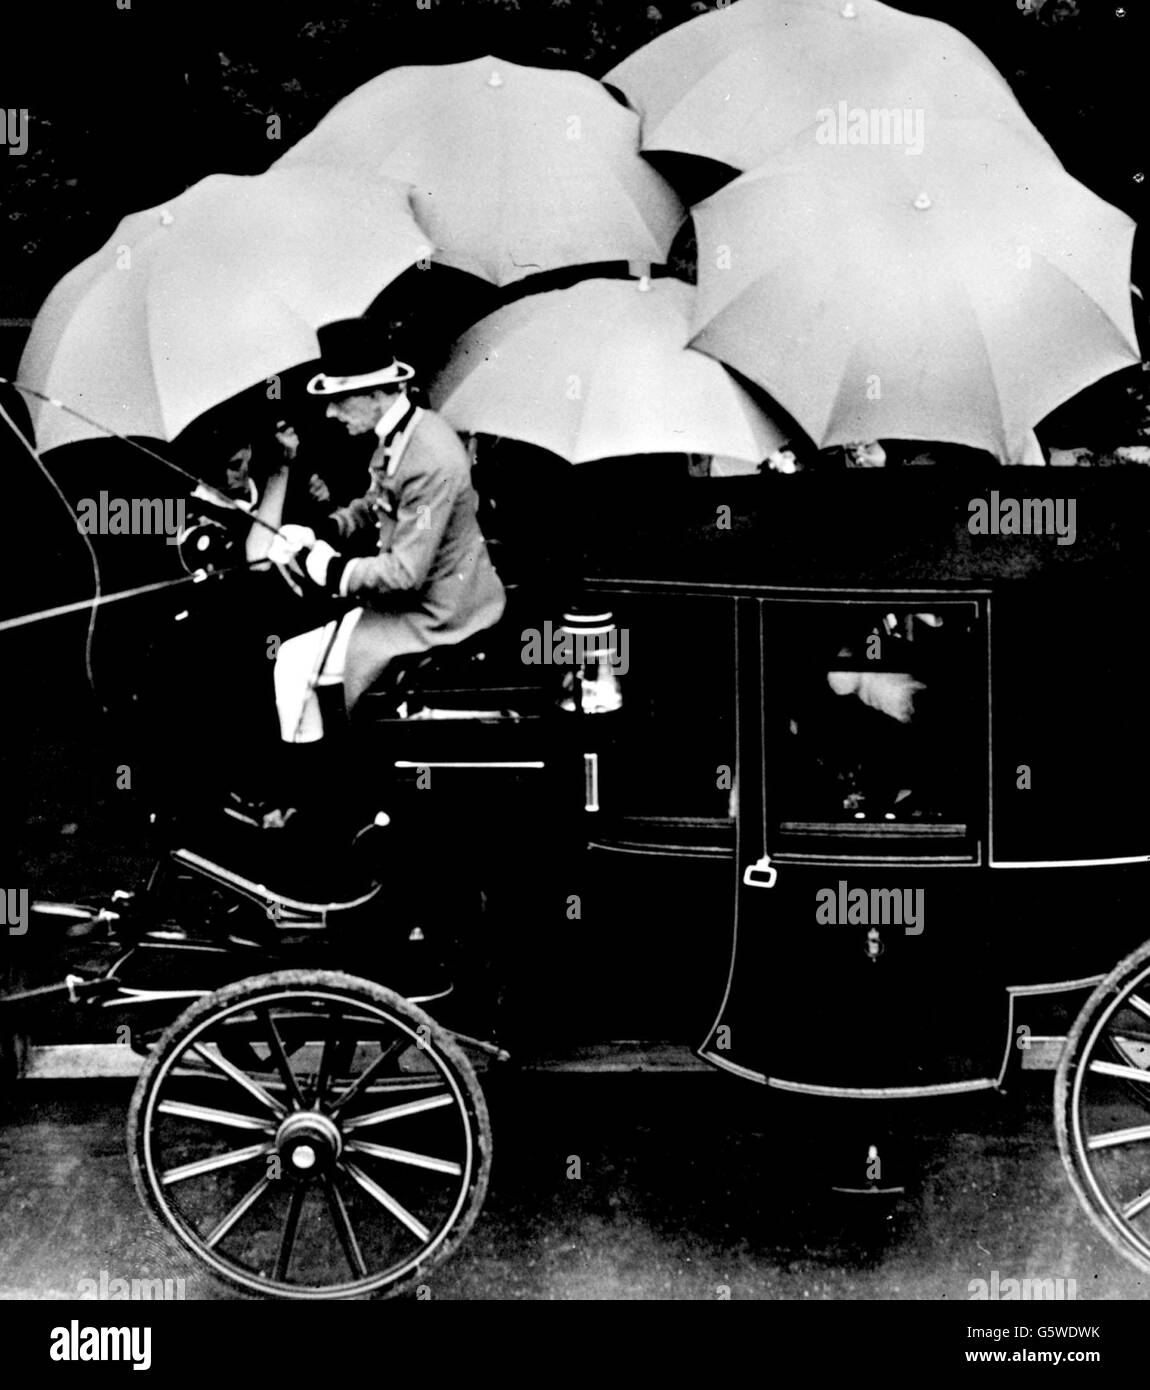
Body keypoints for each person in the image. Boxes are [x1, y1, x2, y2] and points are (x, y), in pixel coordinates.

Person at [263, 319, 507, 747]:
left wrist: (329, 567)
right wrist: (315, 531)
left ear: (375, 395)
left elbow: (404, 573)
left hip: (438, 614)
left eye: (339, 401)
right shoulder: (404, 433)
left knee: (291, 663)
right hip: (416, 601)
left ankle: (305, 795)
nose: (330, 413)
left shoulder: (429, 457)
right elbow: (374, 505)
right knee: (297, 656)